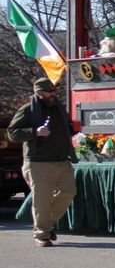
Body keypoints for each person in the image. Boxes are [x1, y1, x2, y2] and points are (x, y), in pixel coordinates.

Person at [8, 78, 78, 247]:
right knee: (42, 200)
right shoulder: (28, 110)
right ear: (38, 93)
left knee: (69, 192)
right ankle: (41, 235)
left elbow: (64, 130)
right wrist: (34, 131)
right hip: (39, 162)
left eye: (54, 91)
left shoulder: (59, 109)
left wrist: (74, 129)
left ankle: (46, 225)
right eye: (49, 91)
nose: (53, 94)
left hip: (62, 160)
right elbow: (13, 133)